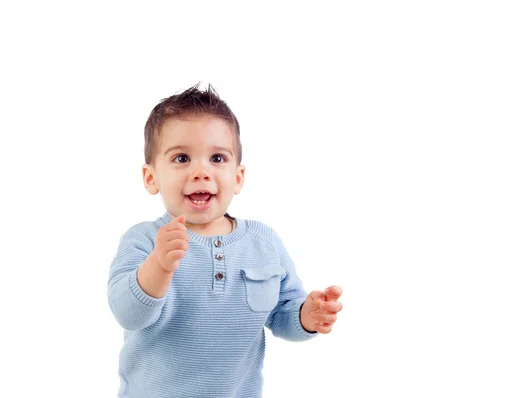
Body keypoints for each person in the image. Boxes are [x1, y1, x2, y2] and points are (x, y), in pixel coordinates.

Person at [107, 83, 343, 398]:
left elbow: (281, 314)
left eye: (217, 158)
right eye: (181, 158)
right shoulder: (144, 241)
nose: (201, 171)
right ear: (151, 178)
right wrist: (159, 267)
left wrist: (307, 316)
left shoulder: (264, 243)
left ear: (238, 177)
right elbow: (128, 314)